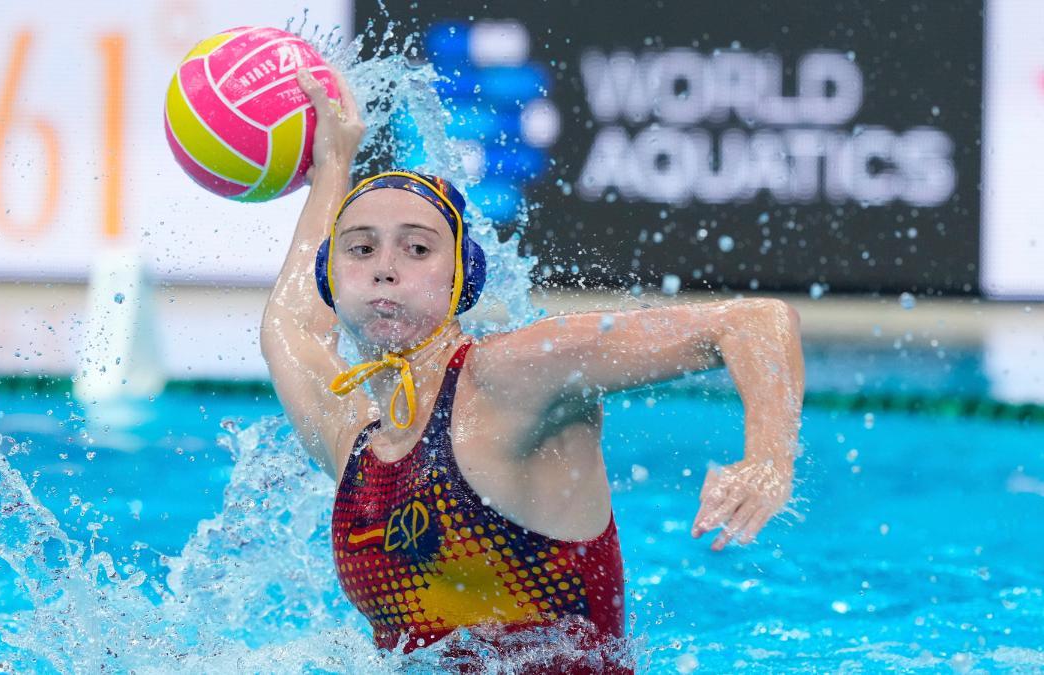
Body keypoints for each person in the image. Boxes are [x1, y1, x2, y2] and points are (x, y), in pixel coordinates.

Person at [259, 66, 805, 671]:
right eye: (360, 249)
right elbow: (291, 326)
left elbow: (753, 322)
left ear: (462, 278)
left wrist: (766, 462)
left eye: (417, 248)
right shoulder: (351, 438)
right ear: (330, 279)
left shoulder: (507, 378)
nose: (385, 267)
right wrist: (333, 163)